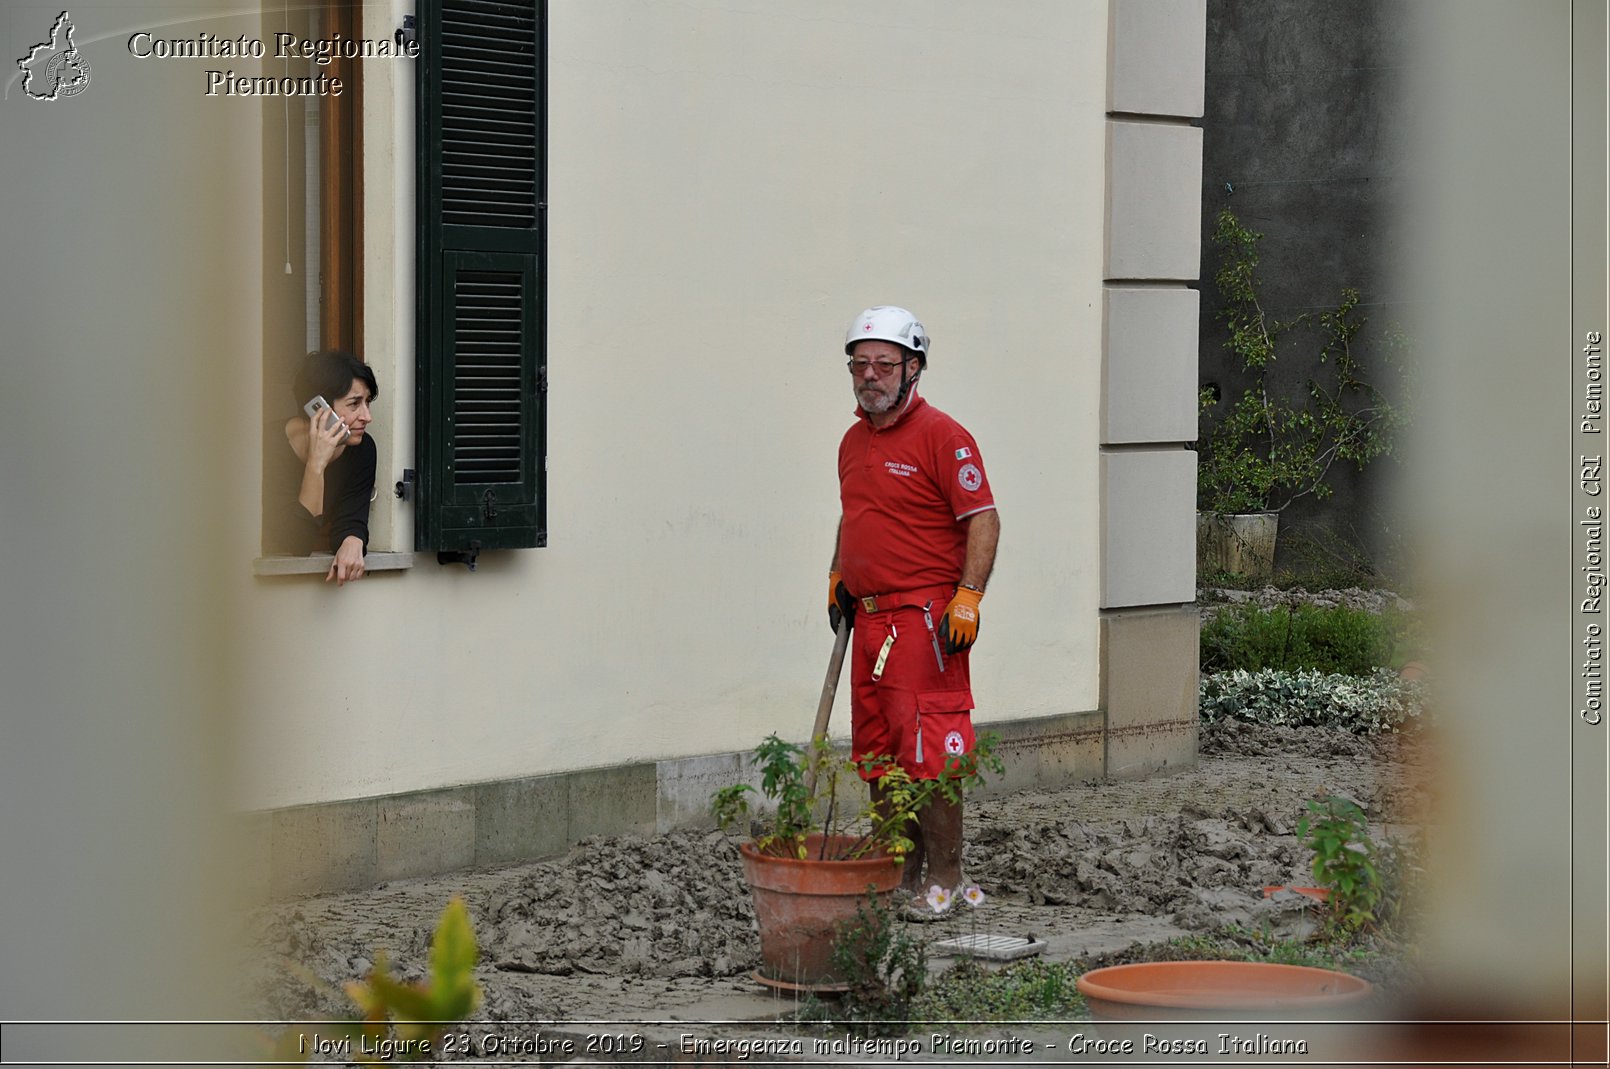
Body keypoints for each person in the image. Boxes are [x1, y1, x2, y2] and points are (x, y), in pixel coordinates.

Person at [827, 305, 1000, 913]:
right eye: (859, 364)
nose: (869, 375)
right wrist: (838, 575)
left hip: (926, 622)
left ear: (913, 368)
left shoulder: (943, 437)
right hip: (870, 620)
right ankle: (900, 871)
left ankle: (948, 878)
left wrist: (969, 597)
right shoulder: (852, 442)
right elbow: (857, 516)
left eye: (883, 364)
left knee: (931, 754)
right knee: (878, 755)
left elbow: (983, 518)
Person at [269, 349, 379, 586]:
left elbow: (350, 519)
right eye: (354, 404)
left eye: (367, 402)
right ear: (318, 409)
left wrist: (353, 540)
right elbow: (297, 542)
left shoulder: (361, 449)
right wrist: (316, 465)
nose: (367, 416)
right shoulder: (266, 448)